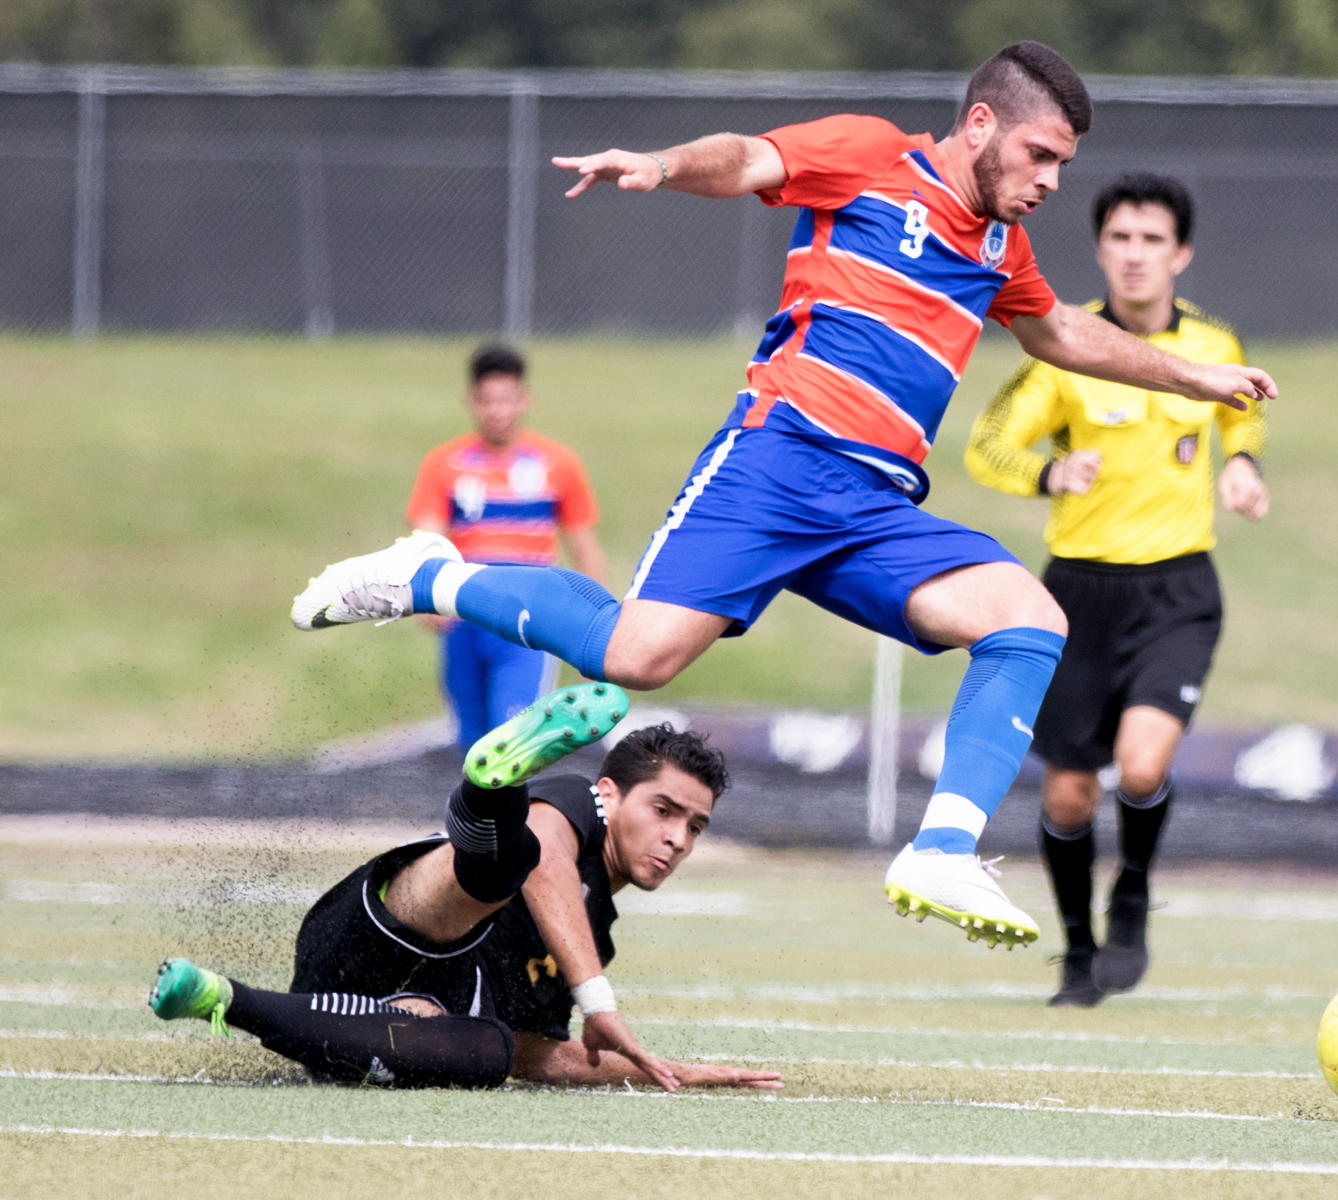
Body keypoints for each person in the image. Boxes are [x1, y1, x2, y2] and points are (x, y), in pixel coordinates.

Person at [291, 42, 1276, 950]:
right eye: (1041, 154)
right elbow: (749, 158)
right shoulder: (873, 156)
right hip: (779, 461)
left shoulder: (1000, 249)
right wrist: (666, 165)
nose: (1052, 182)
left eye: (1062, 164)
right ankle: (433, 574)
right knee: (638, 654)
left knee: (1028, 621)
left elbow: (1061, 332)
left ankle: (941, 850)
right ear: (981, 125)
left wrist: (1199, 378)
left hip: (874, 508)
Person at [149, 688, 778, 1094]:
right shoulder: (572, 804)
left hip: (347, 1022)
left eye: (694, 825)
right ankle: (488, 793)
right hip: (383, 925)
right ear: (609, 793)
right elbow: (545, 863)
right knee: (508, 868)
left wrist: (669, 1071)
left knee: (490, 1052)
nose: (678, 839)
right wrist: (599, 1001)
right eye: (664, 810)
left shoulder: (594, 938)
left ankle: (217, 996)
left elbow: (541, 1057)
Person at [965, 173, 1268, 1006]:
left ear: (1182, 254)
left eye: (1152, 241)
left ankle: (1132, 888)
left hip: (1177, 593)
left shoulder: (1213, 345)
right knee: (1067, 789)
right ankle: (1078, 952)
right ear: (1100, 250)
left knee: (1140, 767)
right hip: (1077, 596)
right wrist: (1048, 471)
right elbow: (986, 446)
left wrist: (1242, 462)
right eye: (1120, 240)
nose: (1135, 257)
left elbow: (1242, 410)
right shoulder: (1063, 347)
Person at [408, 345, 604, 752]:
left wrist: (595, 632)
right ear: (472, 402)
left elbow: (585, 548)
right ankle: (474, 818)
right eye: (487, 401)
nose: (498, 411)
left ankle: (514, 818)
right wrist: (422, 598)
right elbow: (425, 537)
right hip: (462, 613)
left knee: (512, 737)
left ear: (524, 399)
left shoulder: (558, 464)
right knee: (470, 741)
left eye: (507, 399)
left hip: (526, 620)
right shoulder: (445, 464)